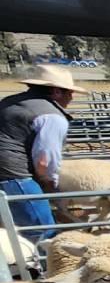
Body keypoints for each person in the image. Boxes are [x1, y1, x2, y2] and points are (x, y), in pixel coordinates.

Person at [0, 65, 85, 239]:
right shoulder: (52, 116)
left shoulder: (10, 102)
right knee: (42, 232)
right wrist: (49, 184)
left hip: (6, 173)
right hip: (14, 176)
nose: (71, 97)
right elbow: (44, 161)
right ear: (56, 91)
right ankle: (44, 264)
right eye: (69, 92)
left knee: (7, 232)